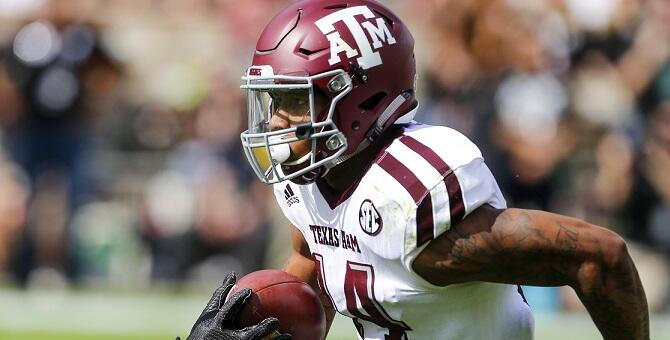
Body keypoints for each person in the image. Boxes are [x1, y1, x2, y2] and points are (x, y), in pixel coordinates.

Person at [185, 1, 650, 339]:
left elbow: (600, 255)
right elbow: (313, 267)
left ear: (360, 99)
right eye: (273, 101)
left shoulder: (410, 198)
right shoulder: (315, 180)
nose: (275, 122)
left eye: (293, 100)